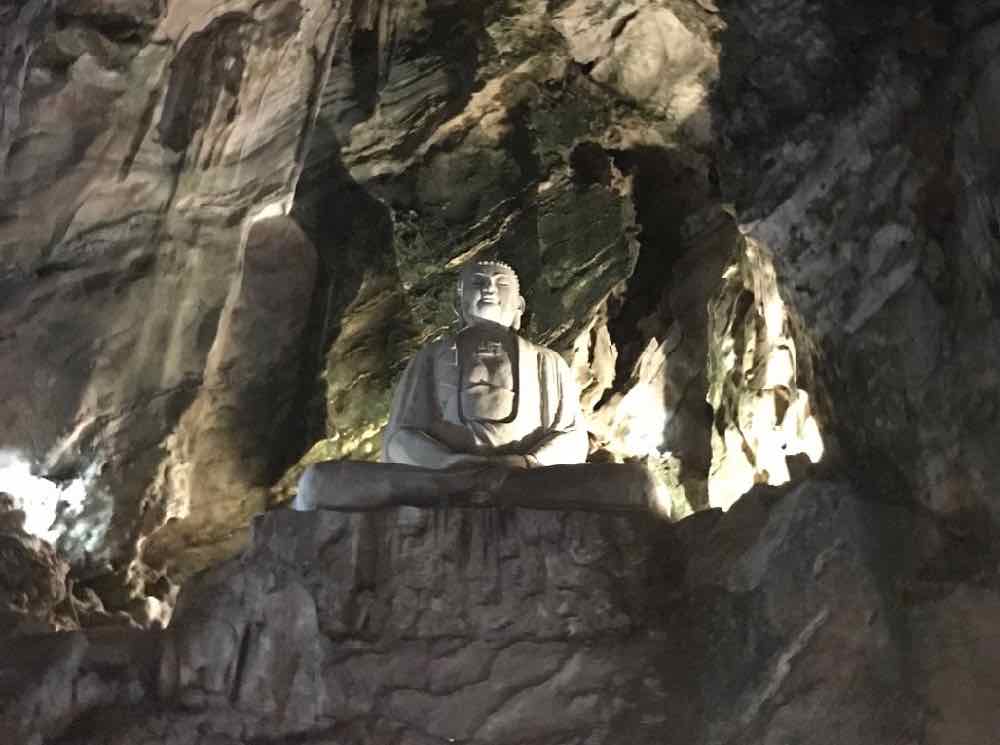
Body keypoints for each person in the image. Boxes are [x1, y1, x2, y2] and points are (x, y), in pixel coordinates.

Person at [293, 260, 654, 512]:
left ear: (519, 306)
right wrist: (449, 463)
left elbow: (572, 438)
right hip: (439, 480)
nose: (489, 289)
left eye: (501, 285)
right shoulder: (431, 358)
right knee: (317, 484)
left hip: (527, 481)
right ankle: (461, 486)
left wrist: (526, 462)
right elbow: (400, 437)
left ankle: (481, 488)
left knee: (640, 486)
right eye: (478, 283)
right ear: (460, 303)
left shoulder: (548, 363)